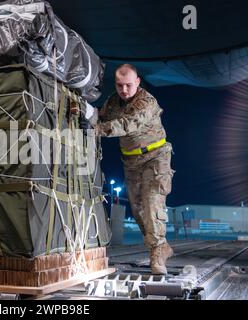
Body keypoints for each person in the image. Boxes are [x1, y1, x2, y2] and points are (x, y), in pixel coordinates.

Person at [86, 64, 175, 274]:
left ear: (137, 82)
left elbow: (128, 124)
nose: (124, 90)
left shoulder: (147, 102)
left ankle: (157, 253)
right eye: (119, 85)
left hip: (156, 157)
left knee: (152, 203)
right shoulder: (113, 102)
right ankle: (161, 246)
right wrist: (85, 113)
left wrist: (96, 130)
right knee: (138, 211)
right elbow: (101, 116)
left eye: (128, 85)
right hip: (131, 162)